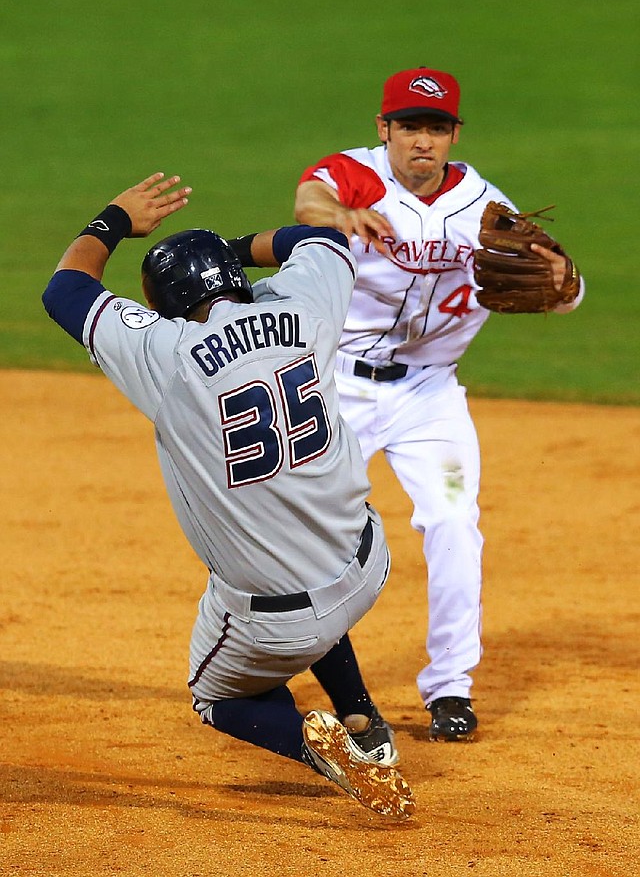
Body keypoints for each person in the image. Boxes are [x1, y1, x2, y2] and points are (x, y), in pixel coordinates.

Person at [42, 172, 415, 820]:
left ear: (164, 304)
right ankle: (362, 719)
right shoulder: (303, 308)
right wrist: (229, 247)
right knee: (308, 528)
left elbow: (66, 288)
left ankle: (321, 748)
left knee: (217, 699)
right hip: (368, 562)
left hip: (275, 622)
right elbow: (320, 237)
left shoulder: (165, 351)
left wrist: (114, 220)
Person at [292, 67, 585, 741]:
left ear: (454, 134)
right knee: (303, 528)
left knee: (455, 523)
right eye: (409, 127)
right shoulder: (359, 175)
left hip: (429, 396)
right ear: (384, 129)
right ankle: (284, 661)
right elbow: (311, 197)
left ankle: (451, 689)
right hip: (339, 387)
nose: (422, 142)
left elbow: (566, 290)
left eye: (436, 128)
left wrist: (566, 283)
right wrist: (340, 217)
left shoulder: (482, 206)